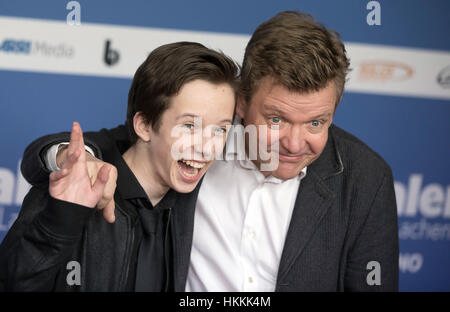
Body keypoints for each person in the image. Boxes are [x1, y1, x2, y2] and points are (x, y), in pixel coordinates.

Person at [10, 11, 399, 291]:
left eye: (317, 122)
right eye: (277, 119)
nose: (295, 144)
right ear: (242, 102)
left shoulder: (365, 178)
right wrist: (62, 158)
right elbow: (105, 145)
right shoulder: (203, 144)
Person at [0, 42, 239, 291]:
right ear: (144, 125)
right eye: (189, 126)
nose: (207, 147)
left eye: (220, 129)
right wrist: (64, 216)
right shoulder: (74, 188)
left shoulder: (201, 201)